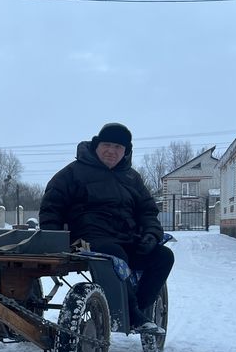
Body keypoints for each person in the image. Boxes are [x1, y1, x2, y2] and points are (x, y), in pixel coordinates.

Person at [39, 123, 174, 335]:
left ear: (126, 151)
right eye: (107, 145)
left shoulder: (133, 178)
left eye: (118, 147)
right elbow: (51, 209)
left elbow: (148, 212)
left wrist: (151, 235)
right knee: (114, 254)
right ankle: (129, 314)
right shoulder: (72, 173)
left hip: (127, 238)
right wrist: (53, 241)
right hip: (87, 240)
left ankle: (136, 309)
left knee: (163, 257)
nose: (111, 151)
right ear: (97, 145)